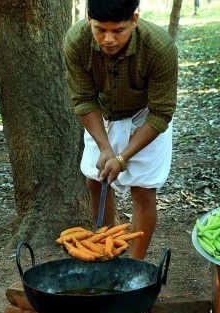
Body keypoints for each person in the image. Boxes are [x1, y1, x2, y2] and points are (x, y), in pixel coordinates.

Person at [63, 0, 178, 259]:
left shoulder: (159, 48)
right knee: (95, 181)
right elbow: (83, 99)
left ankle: (134, 266)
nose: (108, 39)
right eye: (100, 29)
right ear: (89, 18)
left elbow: (161, 113)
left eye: (118, 30)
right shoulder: (77, 41)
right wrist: (106, 148)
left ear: (134, 20)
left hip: (146, 116)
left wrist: (123, 157)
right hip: (102, 114)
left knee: (143, 190)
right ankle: (107, 250)